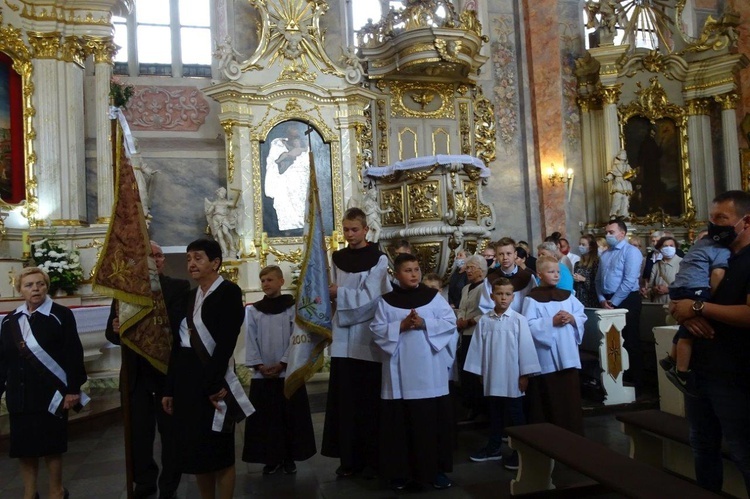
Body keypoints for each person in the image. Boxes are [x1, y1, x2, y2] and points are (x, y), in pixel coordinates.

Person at [669, 190, 750, 495]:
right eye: (712, 218)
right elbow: (681, 302)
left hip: (735, 376)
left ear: (746, 221)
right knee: (703, 448)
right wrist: (685, 314)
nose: (715, 225)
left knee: (744, 452)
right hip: (701, 374)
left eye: (722, 218)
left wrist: (699, 308)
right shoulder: (719, 255)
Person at [162, 239, 253, 499]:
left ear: (215, 262)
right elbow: (179, 347)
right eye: (189, 258)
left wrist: (213, 385)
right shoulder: (190, 296)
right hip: (187, 384)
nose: (191, 263)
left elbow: (225, 343)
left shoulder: (229, 292)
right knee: (197, 453)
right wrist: (170, 388)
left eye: (198, 258)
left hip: (213, 380)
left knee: (219, 453)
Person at [105, 241, 189, 499]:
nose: (155, 260)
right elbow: (111, 333)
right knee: (139, 435)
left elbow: (176, 327)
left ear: (163, 261)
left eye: (159, 256)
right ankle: (143, 481)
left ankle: (169, 484)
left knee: (171, 434)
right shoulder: (124, 291)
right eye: (149, 256)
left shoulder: (178, 287)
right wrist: (118, 328)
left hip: (165, 374)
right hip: (136, 376)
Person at [370, 253, 458, 490]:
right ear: (396, 275)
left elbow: (450, 322)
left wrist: (424, 324)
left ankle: (436, 471)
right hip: (399, 376)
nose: (414, 274)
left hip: (430, 372)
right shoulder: (386, 301)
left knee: (432, 424)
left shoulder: (433, 298)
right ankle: (400, 473)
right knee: (400, 426)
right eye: (408, 270)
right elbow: (376, 330)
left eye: (416, 269)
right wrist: (401, 325)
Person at [0, 267, 88, 499]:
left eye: (40, 284)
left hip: (51, 395)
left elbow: (73, 354)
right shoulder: (10, 320)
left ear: (46, 287)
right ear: (20, 289)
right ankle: (30, 493)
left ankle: (56, 491)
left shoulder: (60, 315)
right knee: (24, 448)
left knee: (51, 446)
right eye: (29, 285)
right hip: (19, 395)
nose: (35, 289)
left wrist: (72, 390)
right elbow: (3, 360)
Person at [322, 208, 391, 478]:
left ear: (365, 230)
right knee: (345, 403)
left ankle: (373, 458)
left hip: (367, 337)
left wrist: (340, 294)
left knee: (369, 402)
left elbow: (374, 297)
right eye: (346, 230)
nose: (350, 235)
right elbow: (330, 292)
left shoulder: (379, 259)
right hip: (342, 341)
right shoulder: (336, 258)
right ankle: (348, 459)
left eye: (355, 229)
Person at [242, 266, 316, 475]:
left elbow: (297, 338)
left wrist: (283, 363)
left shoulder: (292, 308)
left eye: (270, 280)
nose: (266, 284)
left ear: (281, 282)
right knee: (267, 419)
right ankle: (270, 458)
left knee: (289, 417)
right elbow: (251, 338)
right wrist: (259, 365)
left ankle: (289, 456)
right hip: (263, 373)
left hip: (287, 372)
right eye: (263, 280)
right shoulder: (254, 310)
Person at [464, 278, 540, 469]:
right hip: (492, 375)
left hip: (513, 376)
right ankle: (494, 448)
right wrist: (481, 372)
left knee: (516, 414)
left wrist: (524, 374)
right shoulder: (485, 321)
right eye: (499, 294)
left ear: (513, 297)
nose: (503, 298)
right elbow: (477, 348)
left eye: (507, 294)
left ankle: (522, 451)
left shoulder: (518, 320)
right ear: (492, 296)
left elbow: (526, 348)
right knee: (495, 413)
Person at [658, 233, 729, 396]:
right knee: (688, 332)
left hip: (679, 288)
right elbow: (718, 274)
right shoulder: (722, 249)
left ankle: (672, 359)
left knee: (686, 326)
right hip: (696, 288)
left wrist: (687, 309)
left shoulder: (698, 248)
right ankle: (681, 372)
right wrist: (705, 303)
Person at [522, 256, 587, 435]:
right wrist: (551, 322)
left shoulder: (567, 296)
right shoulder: (532, 299)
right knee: (550, 398)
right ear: (539, 274)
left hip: (567, 355)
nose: (556, 275)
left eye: (558, 271)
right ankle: (550, 435)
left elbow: (581, 315)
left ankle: (573, 433)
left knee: (570, 398)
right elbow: (528, 325)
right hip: (546, 357)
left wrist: (572, 318)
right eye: (551, 272)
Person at [595, 219, 644, 390]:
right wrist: (602, 299)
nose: (608, 235)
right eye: (606, 232)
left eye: (611, 232)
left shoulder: (631, 252)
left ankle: (636, 381)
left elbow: (629, 280)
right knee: (612, 341)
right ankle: (616, 378)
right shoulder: (605, 254)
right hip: (607, 300)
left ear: (622, 234)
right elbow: (598, 280)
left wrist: (614, 302)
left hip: (627, 299)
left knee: (630, 340)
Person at [456, 255, 489, 421]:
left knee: (476, 370)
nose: (467, 270)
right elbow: (462, 307)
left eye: (471, 267)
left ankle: (479, 406)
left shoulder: (486, 288)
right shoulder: (465, 288)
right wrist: (460, 319)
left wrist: (470, 321)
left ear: (481, 270)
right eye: (467, 267)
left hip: (477, 332)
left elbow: (487, 312)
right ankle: (469, 404)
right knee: (465, 370)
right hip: (464, 332)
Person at [486, 237, 536, 313]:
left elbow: (533, 305)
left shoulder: (528, 278)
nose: (505, 258)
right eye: (501, 254)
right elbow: (485, 306)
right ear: (496, 256)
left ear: (515, 254)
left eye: (509, 253)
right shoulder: (490, 279)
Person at [204, 187, 239, 259]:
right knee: (220, 236)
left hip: (223, 218)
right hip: (215, 219)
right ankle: (225, 252)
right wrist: (208, 211)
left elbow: (233, 204)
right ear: (218, 193)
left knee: (225, 232)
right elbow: (209, 211)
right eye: (222, 193)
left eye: (224, 194)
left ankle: (232, 247)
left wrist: (238, 195)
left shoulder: (226, 202)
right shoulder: (215, 203)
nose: (223, 195)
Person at [645, 236, 682, 304]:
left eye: (671, 246)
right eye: (665, 246)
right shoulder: (656, 265)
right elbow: (650, 287)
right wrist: (654, 289)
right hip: (658, 303)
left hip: (676, 304)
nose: (668, 248)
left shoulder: (683, 264)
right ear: (660, 248)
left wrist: (669, 290)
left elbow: (688, 287)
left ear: (675, 248)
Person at [602, 149, 635, 218]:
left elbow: (632, 174)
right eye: (622, 154)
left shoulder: (627, 166)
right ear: (619, 156)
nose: (624, 155)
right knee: (617, 197)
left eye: (625, 154)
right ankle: (613, 214)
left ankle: (623, 215)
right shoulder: (615, 166)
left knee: (626, 200)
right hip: (618, 183)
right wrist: (607, 178)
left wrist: (632, 175)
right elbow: (612, 174)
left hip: (626, 184)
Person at [573, 234, 600, 308]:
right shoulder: (577, 264)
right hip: (579, 297)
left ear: (591, 247)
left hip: (591, 299)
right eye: (580, 244)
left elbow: (597, 284)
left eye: (583, 245)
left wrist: (584, 279)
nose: (580, 246)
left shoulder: (596, 263)